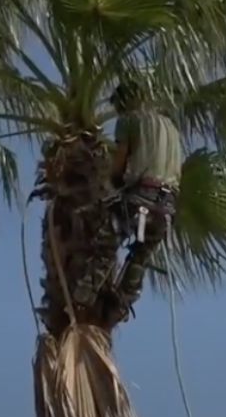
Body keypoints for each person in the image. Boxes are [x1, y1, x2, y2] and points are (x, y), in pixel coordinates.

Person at [71, 82, 183, 322]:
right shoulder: (171, 127)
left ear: (123, 103)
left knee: (106, 245)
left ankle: (81, 301)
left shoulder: (130, 120)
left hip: (141, 198)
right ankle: (121, 304)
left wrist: (111, 183)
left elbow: (120, 163)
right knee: (140, 256)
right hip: (167, 206)